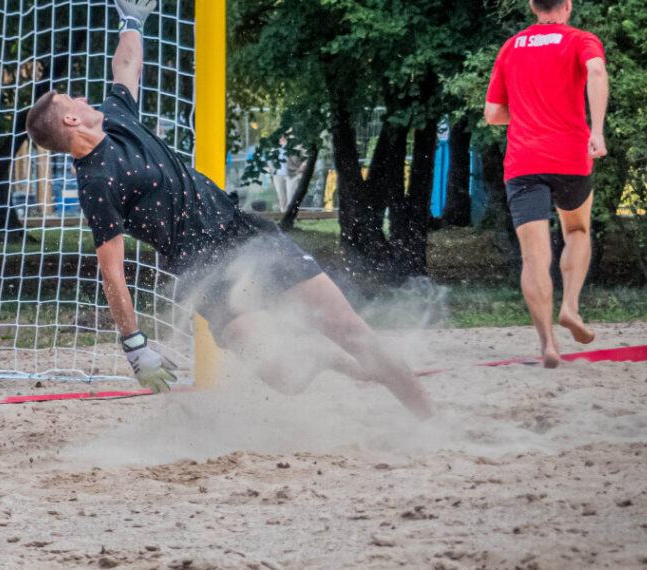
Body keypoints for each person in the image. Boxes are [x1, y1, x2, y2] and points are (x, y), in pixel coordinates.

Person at [25, 0, 433, 419]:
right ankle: (326, 361)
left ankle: (431, 422)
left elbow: (126, 64)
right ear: (71, 120)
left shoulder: (114, 116)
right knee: (286, 377)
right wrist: (133, 345)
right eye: (71, 98)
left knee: (351, 331)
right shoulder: (95, 182)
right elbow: (111, 271)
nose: (80, 95)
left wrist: (132, 20)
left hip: (243, 236)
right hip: (206, 272)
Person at [484, 0, 608, 368]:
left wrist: (526, 113)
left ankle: (548, 345)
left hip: (523, 162)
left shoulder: (511, 46)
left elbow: (492, 114)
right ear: (567, 5)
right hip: (570, 157)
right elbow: (597, 71)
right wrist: (597, 131)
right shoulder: (580, 39)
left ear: (532, 6)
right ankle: (570, 307)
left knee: (535, 257)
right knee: (577, 230)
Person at [271, 136, 303, 213]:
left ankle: (291, 214)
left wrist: (303, 165)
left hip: (292, 174)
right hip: (278, 175)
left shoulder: (296, 145)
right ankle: (283, 214)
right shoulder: (275, 147)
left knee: (291, 196)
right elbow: (270, 158)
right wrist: (272, 168)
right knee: (281, 197)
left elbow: (305, 156)